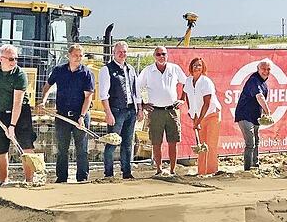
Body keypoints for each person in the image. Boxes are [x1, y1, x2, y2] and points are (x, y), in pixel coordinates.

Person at [0, 44, 38, 186]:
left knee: (26, 145)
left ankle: (30, 180)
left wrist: (12, 126)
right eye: (11, 59)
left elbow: (17, 103)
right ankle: (3, 181)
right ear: (1, 58)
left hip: (20, 112)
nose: (14, 62)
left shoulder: (19, 75)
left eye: (16, 59)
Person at [40, 44, 95, 183]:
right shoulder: (59, 70)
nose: (78, 58)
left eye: (81, 55)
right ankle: (61, 178)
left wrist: (82, 117)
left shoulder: (86, 73)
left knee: (81, 149)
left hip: (80, 115)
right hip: (62, 115)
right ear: (69, 55)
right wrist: (43, 101)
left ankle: (82, 177)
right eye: (76, 55)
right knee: (62, 148)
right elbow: (47, 86)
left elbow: (88, 97)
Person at [137, 46, 187, 176]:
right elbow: (136, 87)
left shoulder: (174, 69)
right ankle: (158, 170)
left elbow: (187, 82)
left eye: (163, 54)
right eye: (158, 54)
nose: (161, 56)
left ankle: (172, 170)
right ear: (154, 56)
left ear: (167, 55)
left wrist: (182, 99)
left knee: (173, 142)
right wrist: (142, 104)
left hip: (171, 111)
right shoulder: (148, 71)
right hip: (155, 112)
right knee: (156, 142)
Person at [98, 41, 141, 179]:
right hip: (116, 111)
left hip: (130, 110)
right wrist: (108, 113)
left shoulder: (131, 69)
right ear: (114, 53)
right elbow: (103, 94)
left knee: (128, 143)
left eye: (124, 52)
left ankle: (127, 172)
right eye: (119, 52)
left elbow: (136, 91)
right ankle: (109, 173)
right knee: (112, 142)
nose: (122, 54)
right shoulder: (106, 70)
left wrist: (139, 109)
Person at [184, 57, 222, 176]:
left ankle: (211, 171)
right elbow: (187, 97)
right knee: (201, 145)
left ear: (203, 67)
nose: (197, 67)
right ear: (191, 67)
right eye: (195, 65)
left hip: (211, 115)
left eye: (199, 65)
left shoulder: (206, 81)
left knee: (210, 144)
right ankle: (201, 172)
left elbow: (207, 102)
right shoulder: (189, 81)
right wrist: (192, 114)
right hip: (198, 117)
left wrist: (198, 120)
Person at [234, 59, 272, 171]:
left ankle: (255, 165)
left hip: (255, 117)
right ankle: (248, 169)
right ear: (258, 69)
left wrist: (264, 112)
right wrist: (267, 111)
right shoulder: (253, 80)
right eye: (263, 69)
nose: (266, 71)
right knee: (250, 143)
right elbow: (259, 97)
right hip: (244, 115)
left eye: (268, 69)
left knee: (256, 141)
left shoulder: (263, 82)